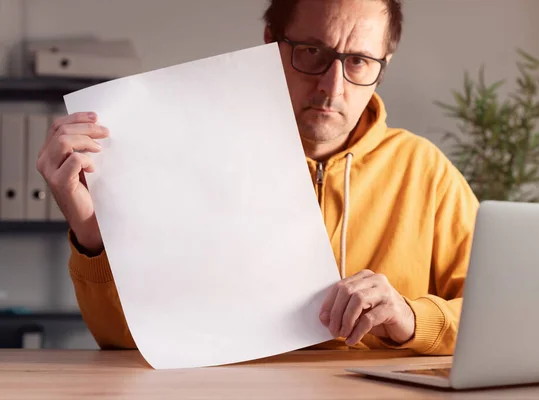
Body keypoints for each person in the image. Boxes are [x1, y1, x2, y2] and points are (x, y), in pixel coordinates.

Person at [37, 0, 478, 355]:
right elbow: (122, 342)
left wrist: (411, 319)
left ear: (383, 65)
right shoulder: (183, 161)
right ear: (271, 44)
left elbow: (502, 319)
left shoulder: (427, 172)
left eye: (359, 61)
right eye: (312, 52)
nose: (332, 86)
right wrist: (94, 236)